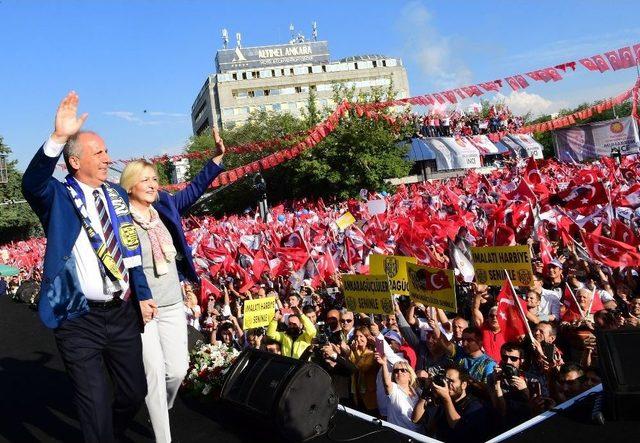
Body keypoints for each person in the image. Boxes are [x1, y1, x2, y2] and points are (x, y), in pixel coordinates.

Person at [21, 91, 154, 442]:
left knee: (132, 394)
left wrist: (142, 294)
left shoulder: (118, 196)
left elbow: (130, 253)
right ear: (76, 162)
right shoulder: (58, 197)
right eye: (100, 153)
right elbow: (31, 183)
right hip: (78, 318)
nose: (109, 159)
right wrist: (58, 138)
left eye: (107, 151)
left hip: (122, 314)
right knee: (93, 404)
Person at [119, 128, 224, 443]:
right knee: (152, 374)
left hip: (172, 303)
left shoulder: (164, 207)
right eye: (146, 179)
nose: (153, 184)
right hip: (142, 309)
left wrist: (216, 160)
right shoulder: (120, 217)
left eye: (155, 179)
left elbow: (192, 192)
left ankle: (159, 410)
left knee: (177, 370)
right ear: (130, 185)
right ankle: (162, 436)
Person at [413, 366, 490, 442]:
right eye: (446, 380)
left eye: (452, 381)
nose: (447, 384)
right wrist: (426, 392)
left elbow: (458, 427)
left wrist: (447, 399)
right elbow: (416, 419)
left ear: (464, 385)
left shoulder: (475, 405)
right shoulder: (441, 400)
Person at [375, 353, 422, 432]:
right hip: (399, 435)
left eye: (403, 370)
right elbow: (387, 383)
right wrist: (384, 364)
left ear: (409, 376)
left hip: (418, 433)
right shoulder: (394, 389)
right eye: (396, 371)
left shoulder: (417, 390)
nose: (399, 372)